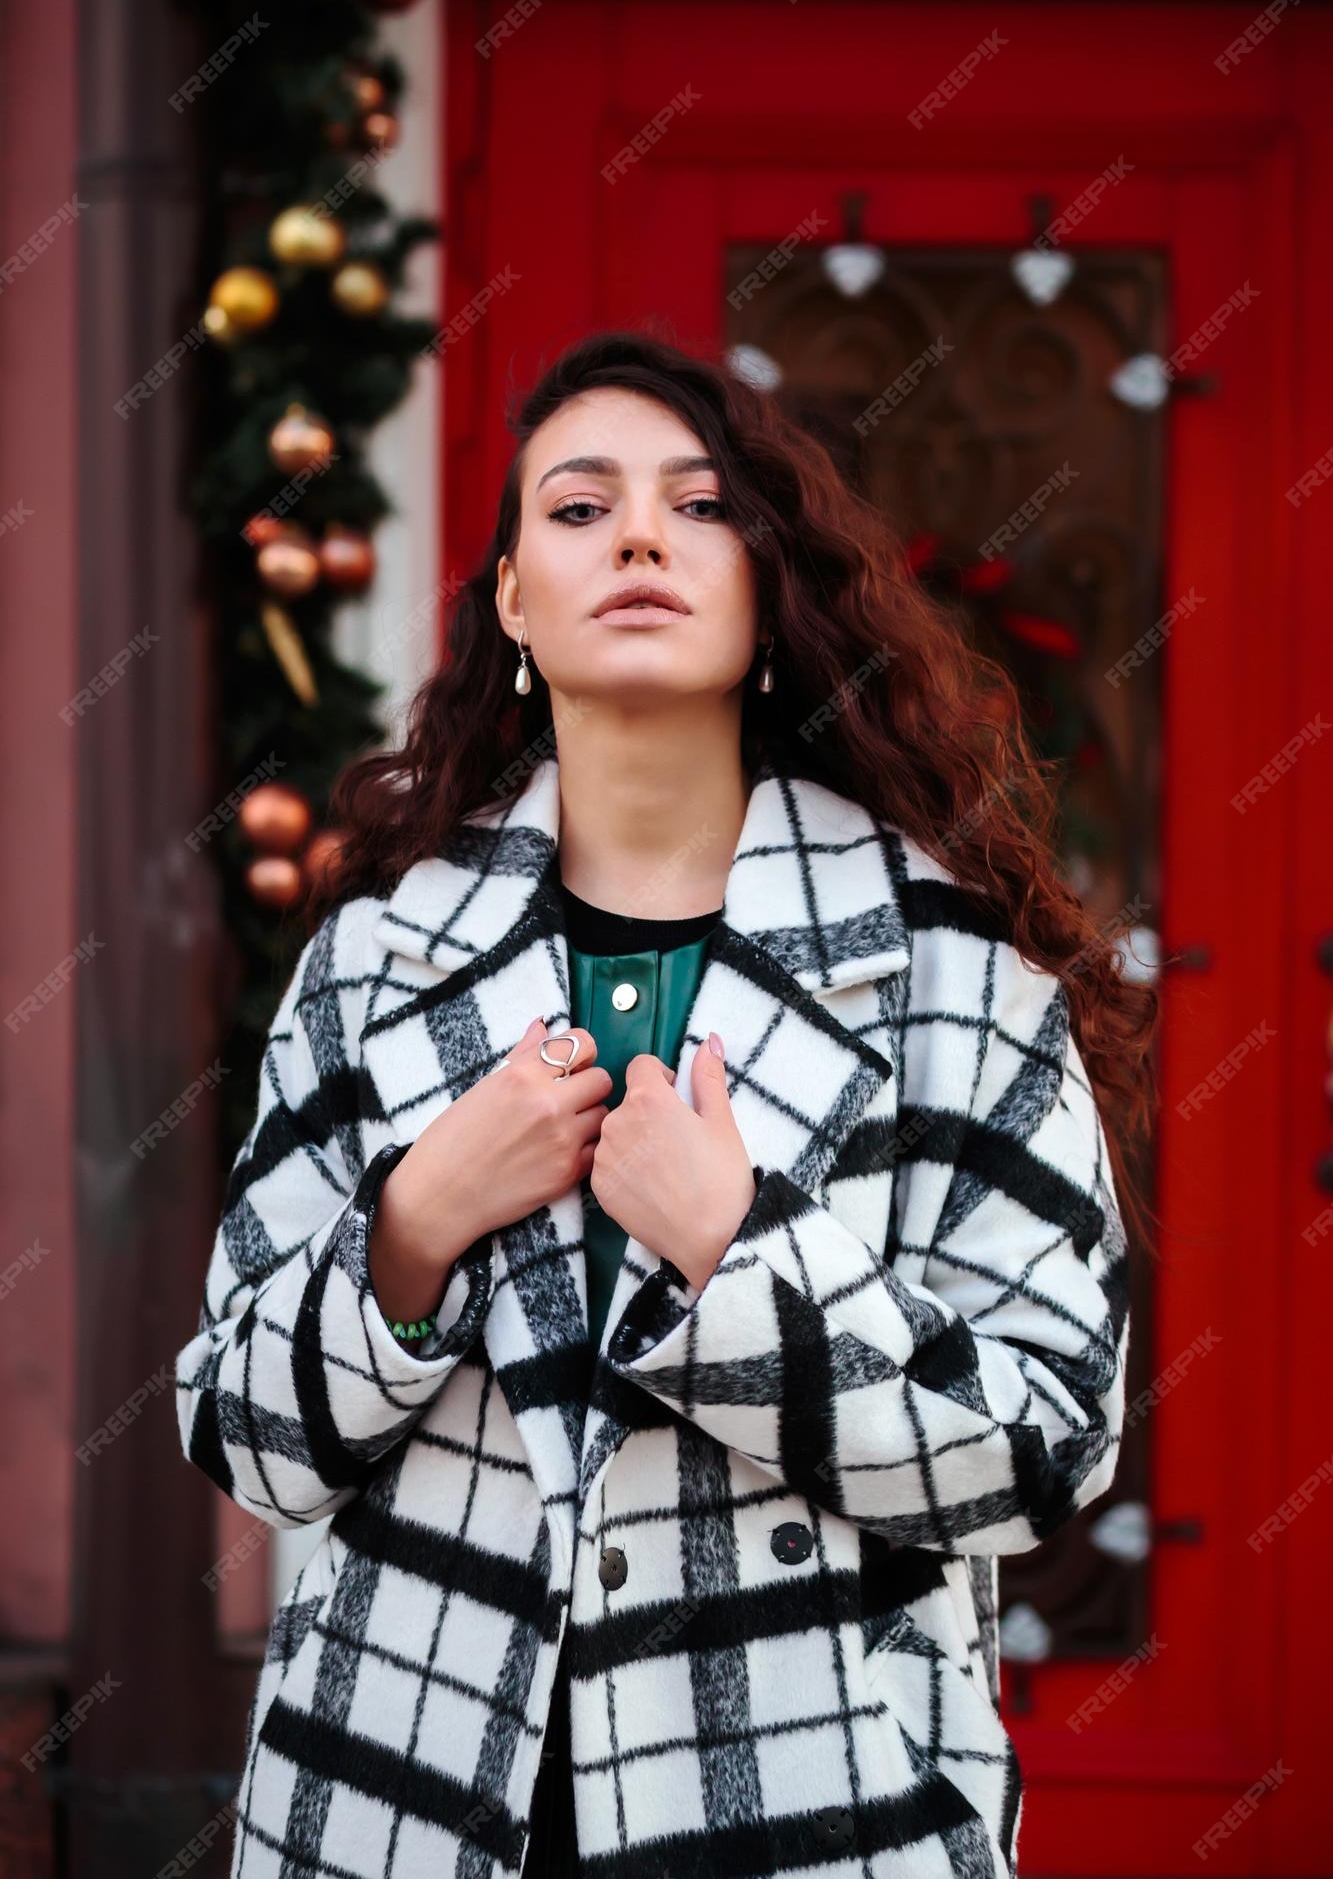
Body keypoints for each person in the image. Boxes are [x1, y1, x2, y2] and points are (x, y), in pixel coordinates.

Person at [175, 328, 1154, 1879]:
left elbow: (1043, 1446)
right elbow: (241, 1435)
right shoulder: (378, 961)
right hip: (395, 1810)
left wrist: (739, 1255)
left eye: (697, 507)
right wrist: (415, 1226)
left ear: (769, 593)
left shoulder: (951, 976)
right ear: (509, 598)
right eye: (574, 508)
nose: (635, 534)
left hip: (815, 1812)